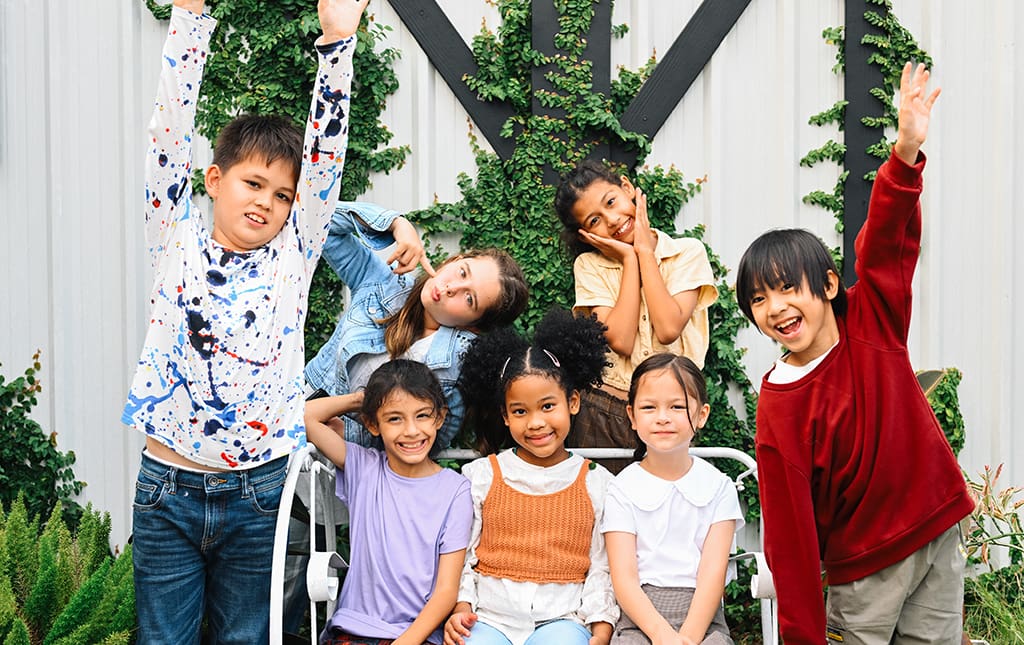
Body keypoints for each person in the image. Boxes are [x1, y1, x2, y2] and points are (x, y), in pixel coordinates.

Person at [122, 0, 368, 641]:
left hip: (260, 496)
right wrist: (190, 17)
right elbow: (166, 138)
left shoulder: (295, 255)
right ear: (214, 179)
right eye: (253, 183)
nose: (267, 201)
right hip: (167, 490)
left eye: (282, 194)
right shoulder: (173, 238)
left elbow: (325, 164)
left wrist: (338, 43)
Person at [734, 63, 974, 644]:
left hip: (935, 529)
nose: (776, 307)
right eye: (758, 299)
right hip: (863, 570)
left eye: (788, 287)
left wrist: (907, 151)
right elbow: (789, 537)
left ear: (829, 285)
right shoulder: (779, 405)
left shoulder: (873, 320)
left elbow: (886, 237)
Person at [444, 309, 619, 645]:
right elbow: (462, 553)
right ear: (505, 417)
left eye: (547, 406)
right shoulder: (481, 476)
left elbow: (601, 566)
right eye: (520, 411)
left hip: (563, 619)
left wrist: (601, 627)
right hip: (488, 618)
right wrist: (460, 607)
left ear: (573, 402)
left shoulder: (596, 482)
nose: (536, 423)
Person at [304, 201, 529, 452]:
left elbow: (428, 443)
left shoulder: (456, 368)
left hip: (344, 466)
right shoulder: (381, 285)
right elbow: (317, 219)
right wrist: (396, 223)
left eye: (469, 299)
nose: (451, 287)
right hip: (287, 414)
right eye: (462, 273)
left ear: (474, 326)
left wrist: (351, 434)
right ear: (455, 260)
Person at [553, 163, 718, 472]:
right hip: (604, 410)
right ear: (587, 236)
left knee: (667, 509)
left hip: (674, 409)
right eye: (595, 220)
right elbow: (622, 340)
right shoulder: (590, 266)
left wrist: (643, 251)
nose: (613, 220)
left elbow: (669, 328)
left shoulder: (686, 253)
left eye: (611, 201)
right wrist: (630, 259)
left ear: (627, 188)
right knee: (605, 514)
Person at [305, 359, 473, 645]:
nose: (411, 431)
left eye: (422, 416)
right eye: (395, 418)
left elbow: (447, 590)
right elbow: (304, 416)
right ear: (373, 423)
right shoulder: (363, 468)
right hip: (355, 630)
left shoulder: (456, 490)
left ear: (440, 418)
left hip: (417, 636)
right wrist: (364, 399)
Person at [603, 353, 743, 645]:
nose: (663, 417)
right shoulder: (621, 488)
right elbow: (624, 579)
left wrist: (688, 638)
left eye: (677, 406)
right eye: (649, 407)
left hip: (702, 615)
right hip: (640, 616)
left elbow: (712, 575)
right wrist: (662, 635)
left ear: (701, 415)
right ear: (632, 416)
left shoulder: (718, 487)